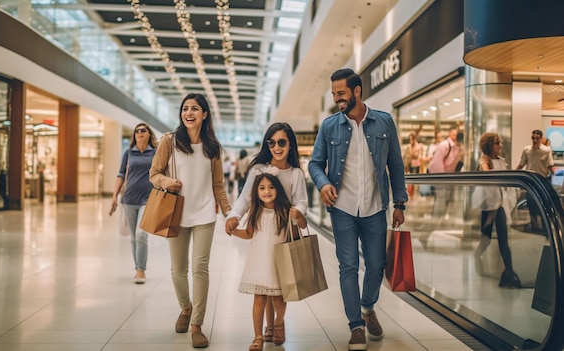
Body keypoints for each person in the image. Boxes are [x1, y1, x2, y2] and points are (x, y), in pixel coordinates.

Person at [308, 68, 407, 351]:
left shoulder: (384, 122)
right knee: (348, 266)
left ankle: (367, 307)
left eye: (341, 93)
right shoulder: (329, 126)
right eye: (334, 94)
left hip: (376, 209)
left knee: (377, 264)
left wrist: (400, 204)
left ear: (357, 91)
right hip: (343, 209)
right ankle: (356, 326)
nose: (337, 99)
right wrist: (323, 183)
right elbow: (315, 163)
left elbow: (395, 165)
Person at [149, 93, 232, 349]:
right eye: (185, 108)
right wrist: (167, 182)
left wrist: (230, 212)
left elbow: (218, 185)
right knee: (178, 270)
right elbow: (154, 173)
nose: (189, 113)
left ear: (204, 114)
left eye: (195, 108)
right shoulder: (169, 142)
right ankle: (185, 308)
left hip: (205, 213)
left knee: (200, 268)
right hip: (176, 210)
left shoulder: (213, 148)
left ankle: (197, 324)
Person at [225, 122, 308, 343]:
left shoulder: (296, 174)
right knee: (265, 283)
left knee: (281, 286)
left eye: (282, 142)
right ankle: (266, 329)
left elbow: (301, 200)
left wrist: (298, 212)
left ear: (290, 144)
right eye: (272, 142)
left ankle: (278, 323)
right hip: (263, 238)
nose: (277, 147)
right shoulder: (258, 170)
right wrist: (234, 216)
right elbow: (246, 198)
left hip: (284, 236)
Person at [109, 122, 157, 284]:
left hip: (148, 200)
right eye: (137, 131)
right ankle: (137, 267)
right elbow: (121, 174)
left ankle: (141, 270)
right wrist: (114, 195)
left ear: (149, 134)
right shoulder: (129, 153)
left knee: (141, 234)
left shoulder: (155, 153)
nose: (140, 133)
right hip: (129, 200)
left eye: (143, 130)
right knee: (133, 238)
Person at [473, 133, 522, 288]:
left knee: (503, 239)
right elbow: (488, 175)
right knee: (486, 238)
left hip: (499, 205)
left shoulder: (501, 161)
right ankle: (477, 255)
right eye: (496, 143)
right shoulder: (485, 161)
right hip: (488, 206)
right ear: (489, 145)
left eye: (500, 143)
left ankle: (509, 272)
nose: (500, 146)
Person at [422, 126, 463, 240]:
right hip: (442, 183)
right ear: (450, 134)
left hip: (447, 182)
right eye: (455, 134)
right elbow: (436, 165)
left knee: (441, 210)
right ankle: (425, 234)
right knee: (439, 210)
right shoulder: (444, 146)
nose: (457, 137)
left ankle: (425, 233)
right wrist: (443, 180)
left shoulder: (456, 148)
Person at [516, 129, 554, 230]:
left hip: (543, 180)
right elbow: (522, 163)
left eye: (537, 138)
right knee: (531, 203)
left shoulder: (546, 150)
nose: (535, 140)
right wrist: (515, 173)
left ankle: (545, 227)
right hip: (531, 180)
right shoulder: (527, 150)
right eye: (533, 138)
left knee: (544, 203)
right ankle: (534, 225)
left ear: (541, 139)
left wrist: (557, 175)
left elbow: (550, 166)